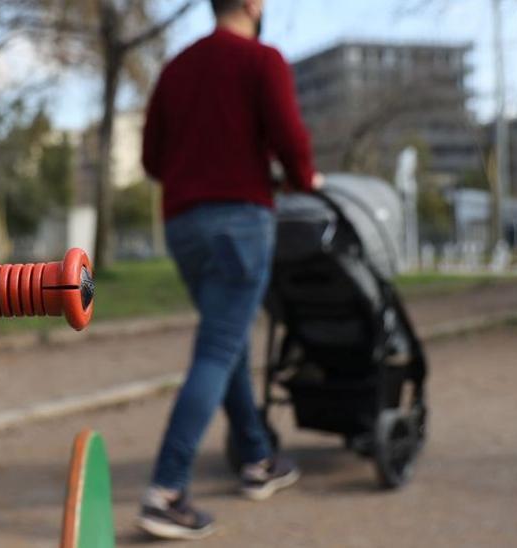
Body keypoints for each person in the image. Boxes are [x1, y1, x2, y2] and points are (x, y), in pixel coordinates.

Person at [137, 0, 320, 540]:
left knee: (229, 341)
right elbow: (291, 139)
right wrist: (303, 179)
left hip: (184, 226)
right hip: (240, 219)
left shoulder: (176, 68)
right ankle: (166, 490)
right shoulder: (262, 61)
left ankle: (257, 459)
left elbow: (152, 159)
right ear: (251, 3)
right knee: (218, 348)